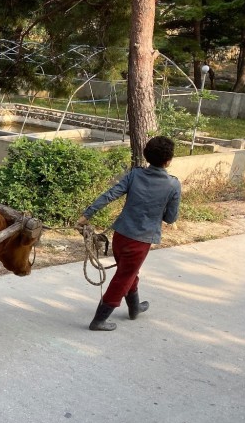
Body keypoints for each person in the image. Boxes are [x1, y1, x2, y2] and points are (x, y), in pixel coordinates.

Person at [76, 135, 182, 331]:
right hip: (140, 240)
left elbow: (110, 194)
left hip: (120, 235)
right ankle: (99, 320)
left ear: (146, 155)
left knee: (129, 272)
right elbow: (170, 218)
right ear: (169, 161)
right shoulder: (173, 185)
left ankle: (134, 307)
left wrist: (86, 215)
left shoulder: (134, 174)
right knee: (123, 277)